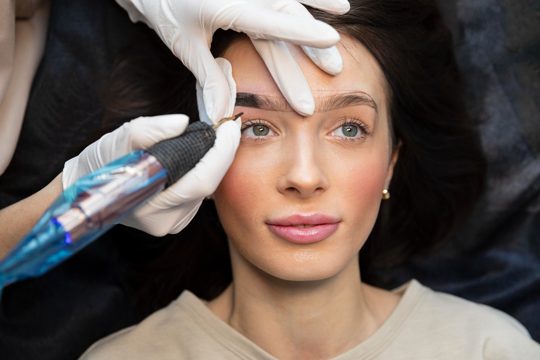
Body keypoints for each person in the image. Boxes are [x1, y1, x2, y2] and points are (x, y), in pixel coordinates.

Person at [78, 0, 540, 358]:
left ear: (393, 161)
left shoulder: (489, 350)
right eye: (256, 128)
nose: (304, 176)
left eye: (349, 128)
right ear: (201, 161)